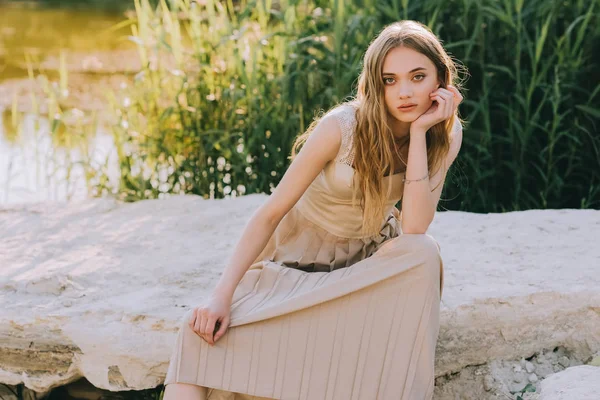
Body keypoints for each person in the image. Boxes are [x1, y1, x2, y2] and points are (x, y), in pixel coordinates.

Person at [163, 19, 464, 400]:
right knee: (197, 334)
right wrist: (221, 294)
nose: (404, 92)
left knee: (424, 253)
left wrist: (421, 133)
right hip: (296, 263)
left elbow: (416, 226)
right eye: (390, 80)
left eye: (417, 77)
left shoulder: (444, 133)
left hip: (364, 268)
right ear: (375, 83)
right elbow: (270, 213)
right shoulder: (341, 128)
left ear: (441, 78)